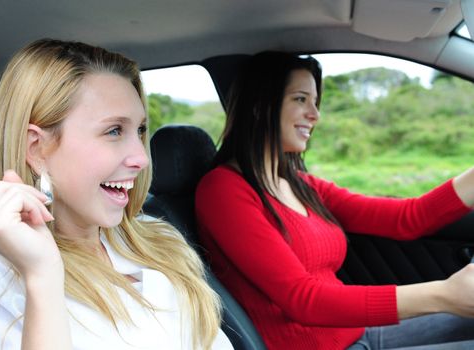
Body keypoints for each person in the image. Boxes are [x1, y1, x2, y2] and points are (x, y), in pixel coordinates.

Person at [0, 39, 233, 350]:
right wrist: (42, 276)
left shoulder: (159, 239)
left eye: (139, 130)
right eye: (113, 131)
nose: (142, 158)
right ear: (37, 148)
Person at [195, 51, 474, 350]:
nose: (314, 114)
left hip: (356, 334)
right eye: (301, 99)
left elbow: (408, 218)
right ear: (260, 106)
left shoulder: (302, 185)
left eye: (315, 102)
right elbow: (303, 299)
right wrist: (443, 294)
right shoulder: (223, 191)